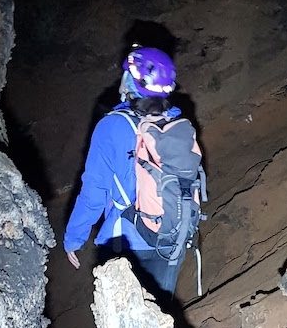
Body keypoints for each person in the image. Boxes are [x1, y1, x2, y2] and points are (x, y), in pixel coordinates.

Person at [63, 45, 200, 298]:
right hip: (173, 239)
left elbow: (93, 192)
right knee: (158, 317)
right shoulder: (176, 123)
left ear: (131, 81)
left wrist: (74, 237)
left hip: (126, 243)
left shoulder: (112, 127)